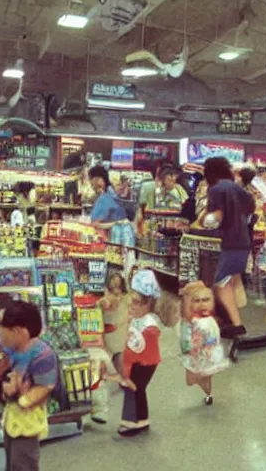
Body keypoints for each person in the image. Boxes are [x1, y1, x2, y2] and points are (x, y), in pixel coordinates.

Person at [0, 302, 60, 471]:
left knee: (23, 462)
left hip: (28, 420)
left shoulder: (43, 355)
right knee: (12, 460)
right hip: (12, 416)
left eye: (3, 330)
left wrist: (22, 398)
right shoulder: (12, 350)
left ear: (18, 331)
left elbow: (46, 386)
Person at [200, 157, 254, 337]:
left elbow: (216, 216)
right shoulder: (238, 189)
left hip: (227, 242)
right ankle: (232, 321)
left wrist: (206, 221)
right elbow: (250, 209)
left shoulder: (216, 189)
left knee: (220, 281)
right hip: (243, 241)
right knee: (228, 281)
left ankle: (236, 324)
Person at [118, 270, 164, 437]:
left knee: (135, 388)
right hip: (139, 360)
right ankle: (141, 419)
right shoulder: (137, 319)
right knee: (137, 389)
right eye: (131, 303)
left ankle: (133, 422)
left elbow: (142, 347)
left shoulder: (150, 325)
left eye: (137, 303)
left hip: (144, 362)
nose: (132, 307)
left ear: (148, 304)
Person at [88, 273, 132, 424]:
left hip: (115, 332)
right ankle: (121, 380)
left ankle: (117, 380)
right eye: (113, 287)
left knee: (115, 359)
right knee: (117, 358)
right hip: (113, 332)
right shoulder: (123, 298)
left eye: (118, 287)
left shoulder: (120, 299)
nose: (116, 290)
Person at [179, 281, 230, 405]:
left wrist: (202, 346)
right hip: (198, 354)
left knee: (193, 379)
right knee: (196, 378)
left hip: (204, 355)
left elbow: (212, 339)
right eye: (197, 301)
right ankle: (208, 394)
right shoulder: (194, 319)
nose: (201, 304)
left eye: (205, 300)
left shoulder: (206, 322)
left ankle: (208, 393)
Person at [88, 164, 135, 247]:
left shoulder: (105, 198)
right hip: (121, 240)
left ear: (97, 180)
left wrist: (117, 223)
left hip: (113, 241)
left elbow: (95, 224)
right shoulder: (111, 195)